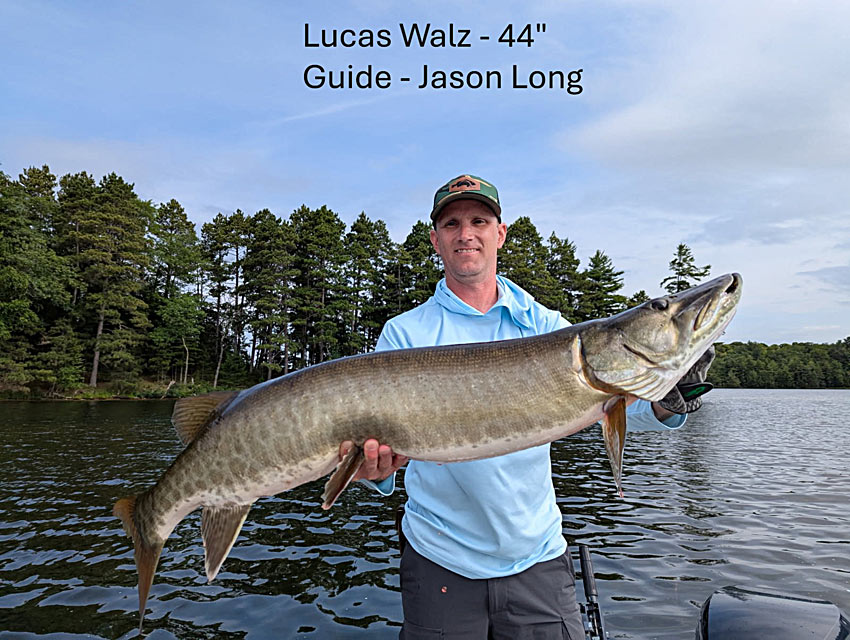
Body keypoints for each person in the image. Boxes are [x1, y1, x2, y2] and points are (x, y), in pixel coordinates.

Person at [339, 174, 713, 639]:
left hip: (537, 558)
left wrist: (668, 401)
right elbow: (379, 445)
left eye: (479, 221)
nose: (466, 234)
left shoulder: (545, 325)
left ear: (500, 233)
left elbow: (610, 399)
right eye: (452, 224)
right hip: (439, 560)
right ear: (436, 240)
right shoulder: (404, 333)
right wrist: (376, 472)